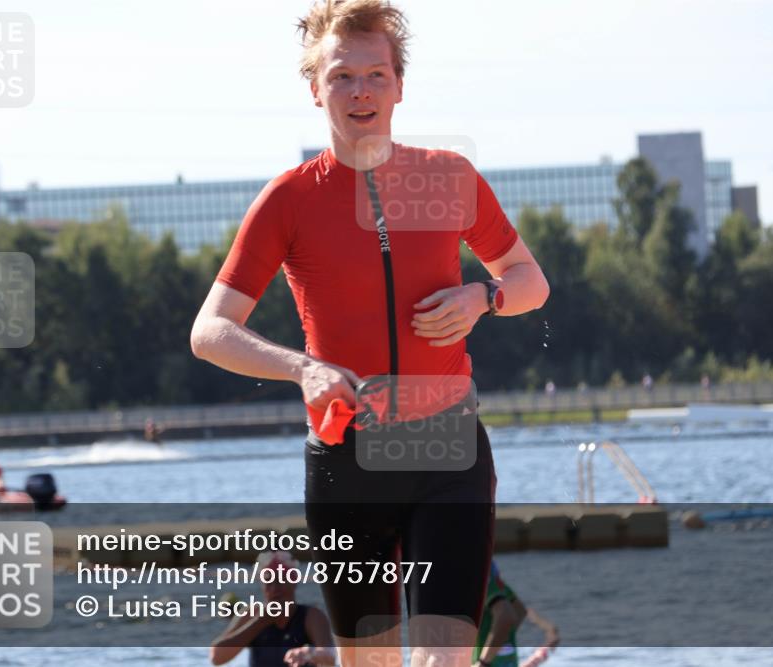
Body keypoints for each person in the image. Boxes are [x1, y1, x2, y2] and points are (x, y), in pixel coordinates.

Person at [190, 2, 550, 665]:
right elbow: (209, 331)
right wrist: (303, 368)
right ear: (315, 89)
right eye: (342, 76)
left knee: (443, 660)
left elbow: (531, 281)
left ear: (399, 85)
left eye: (376, 75)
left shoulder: (448, 177)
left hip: (448, 451)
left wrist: (484, 296)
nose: (361, 91)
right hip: (347, 462)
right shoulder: (288, 200)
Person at [210, 551, 335, 667]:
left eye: (281, 580)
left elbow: (331, 658)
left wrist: (309, 653)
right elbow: (216, 658)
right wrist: (260, 622)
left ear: (294, 582)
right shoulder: (252, 614)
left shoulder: (312, 616)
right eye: (269, 582)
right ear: (262, 585)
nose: (275, 589)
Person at [472, 562, 559, 667]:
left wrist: (483, 662)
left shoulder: (479, 580)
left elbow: (509, 616)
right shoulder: (497, 584)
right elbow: (520, 611)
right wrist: (500, 637)